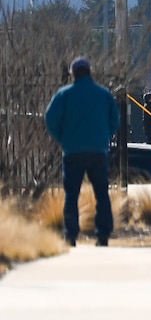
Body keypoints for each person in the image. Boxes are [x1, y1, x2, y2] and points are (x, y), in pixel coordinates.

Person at [44, 56, 121, 247]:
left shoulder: (64, 94)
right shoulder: (104, 95)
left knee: (72, 194)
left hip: (72, 151)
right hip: (98, 151)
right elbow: (116, 121)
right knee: (102, 193)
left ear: (73, 74)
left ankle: (70, 235)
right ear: (90, 72)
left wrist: (62, 139)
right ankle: (103, 234)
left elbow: (50, 119)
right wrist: (104, 137)